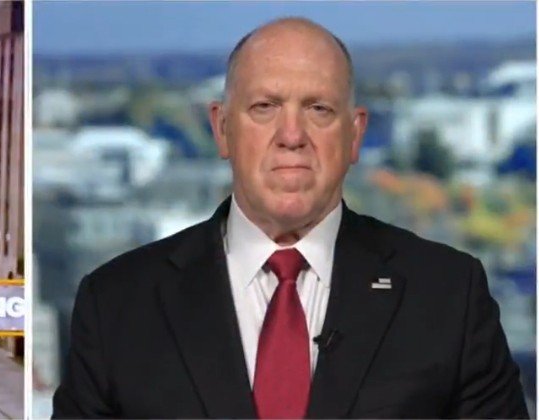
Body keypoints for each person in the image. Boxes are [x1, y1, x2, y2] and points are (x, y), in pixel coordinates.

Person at [52, 18, 527, 419]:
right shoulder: (117, 305)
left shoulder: (448, 295)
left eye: (318, 109)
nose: (292, 135)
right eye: (265, 108)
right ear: (222, 129)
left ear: (355, 133)